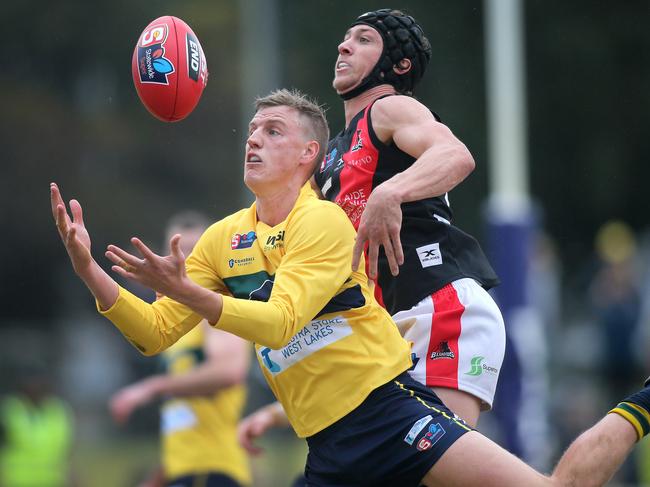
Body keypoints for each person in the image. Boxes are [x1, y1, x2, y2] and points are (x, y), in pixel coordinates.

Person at [51, 89, 650, 486]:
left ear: (310, 154)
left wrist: (193, 296)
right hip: (330, 449)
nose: (253, 139)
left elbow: (281, 321)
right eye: (251, 131)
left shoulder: (324, 220)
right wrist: (89, 270)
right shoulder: (221, 240)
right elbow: (154, 335)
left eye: (273, 131)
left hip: (389, 418)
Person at [239, 9, 503, 448]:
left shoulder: (390, 109)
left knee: (431, 469)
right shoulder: (328, 157)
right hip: (388, 333)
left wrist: (390, 193)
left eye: (363, 40)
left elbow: (456, 155)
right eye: (345, 38)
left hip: (439, 309)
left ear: (398, 65)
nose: (344, 46)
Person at [108, 211, 252, 487]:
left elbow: (230, 371)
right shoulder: (172, 322)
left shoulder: (216, 308)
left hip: (214, 471)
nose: (183, 260)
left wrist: (152, 387)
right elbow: (185, 421)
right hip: (186, 471)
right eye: (176, 249)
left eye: (193, 251)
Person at [0, 361, 76, 487]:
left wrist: (74, 477)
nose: (36, 386)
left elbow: (68, 452)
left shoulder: (59, 411)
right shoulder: (10, 411)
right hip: (18, 482)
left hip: (53, 481)